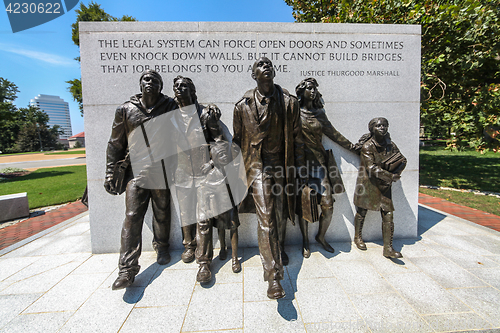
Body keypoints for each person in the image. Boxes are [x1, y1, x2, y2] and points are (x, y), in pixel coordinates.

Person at [233, 57, 305, 299]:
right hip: (257, 167)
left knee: (280, 212)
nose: (266, 67)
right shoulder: (241, 106)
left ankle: (279, 247)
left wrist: (301, 170)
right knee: (266, 218)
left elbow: (297, 137)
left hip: (282, 164)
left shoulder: (289, 102)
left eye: (269, 64)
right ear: (253, 74)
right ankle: (273, 276)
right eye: (259, 65)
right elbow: (238, 139)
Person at [104, 70, 177, 290]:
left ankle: (162, 246)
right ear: (140, 84)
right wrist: (109, 172)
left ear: (160, 86)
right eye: (146, 79)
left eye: (155, 81)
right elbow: (115, 143)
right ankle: (127, 269)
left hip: (162, 169)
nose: (150, 83)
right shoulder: (126, 110)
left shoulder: (170, 106)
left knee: (162, 211)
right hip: (135, 172)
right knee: (132, 216)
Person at [171, 76, 236, 283]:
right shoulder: (169, 115)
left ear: (192, 91)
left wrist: (213, 163)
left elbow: (219, 142)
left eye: (184, 87)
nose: (180, 90)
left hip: (203, 173)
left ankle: (204, 263)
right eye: (177, 87)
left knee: (203, 217)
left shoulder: (206, 114)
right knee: (185, 212)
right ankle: (189, 245)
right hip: (181, 172)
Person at [295, 78, 359, 258]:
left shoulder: (319, 114)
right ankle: (305, 241)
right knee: (304, 205)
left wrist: (353, 148)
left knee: (328, 206)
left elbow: (334, 134)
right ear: (302, 91)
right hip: (301, 166)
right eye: (309, 88)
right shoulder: (294, 113)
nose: (313, 91)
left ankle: (320, 236)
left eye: (314, 89)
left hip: (319, 165)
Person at [353, 117, 406, 258]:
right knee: (362, 211)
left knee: (388, 214)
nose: (382, 128)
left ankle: (388, 248)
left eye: (384, 125)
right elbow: (371, 167)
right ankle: (357, 237)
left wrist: (396, 173)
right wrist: (390, 176)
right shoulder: (368, 146)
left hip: (384, 185)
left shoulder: (391, 145)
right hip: (368, 184)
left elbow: (402, 159)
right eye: (378, 126)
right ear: (372, 129)